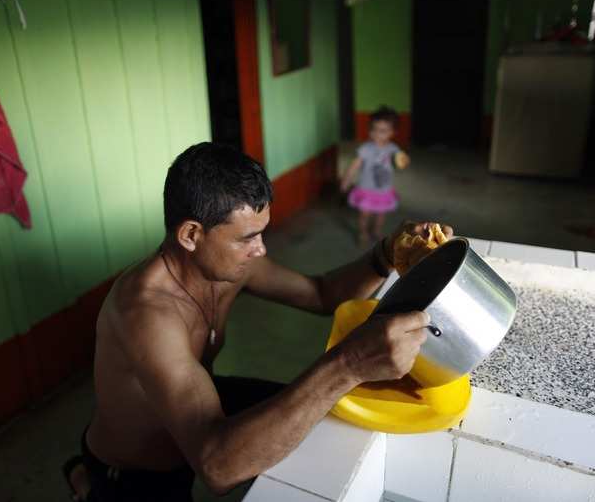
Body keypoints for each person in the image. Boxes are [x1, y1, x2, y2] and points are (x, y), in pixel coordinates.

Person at [64, 142, 448, 501]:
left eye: (261, 233)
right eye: (247, 238)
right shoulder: (146, 312)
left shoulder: (230, 265)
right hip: (137, 469)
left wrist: (386, 253)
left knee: (320, 416)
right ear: (191, 234)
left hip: (197, 399)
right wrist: (347, 365)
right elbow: (217, 469)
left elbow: (321, 294)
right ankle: (87, 480)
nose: (261, 249)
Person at [340, 106, 411, 246]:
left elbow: (400, 163)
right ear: (370, 130)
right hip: (366, 190)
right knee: (364, 215)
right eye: (374, 130)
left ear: (392, 132)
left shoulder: (394, 149)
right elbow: (354, 166)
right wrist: (346, 181)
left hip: (383, 190)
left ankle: (376, 231)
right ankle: (363, 232)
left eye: (383, 131)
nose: (377, 134)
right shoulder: (365, 149)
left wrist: (404, 162)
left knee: (380, 214)